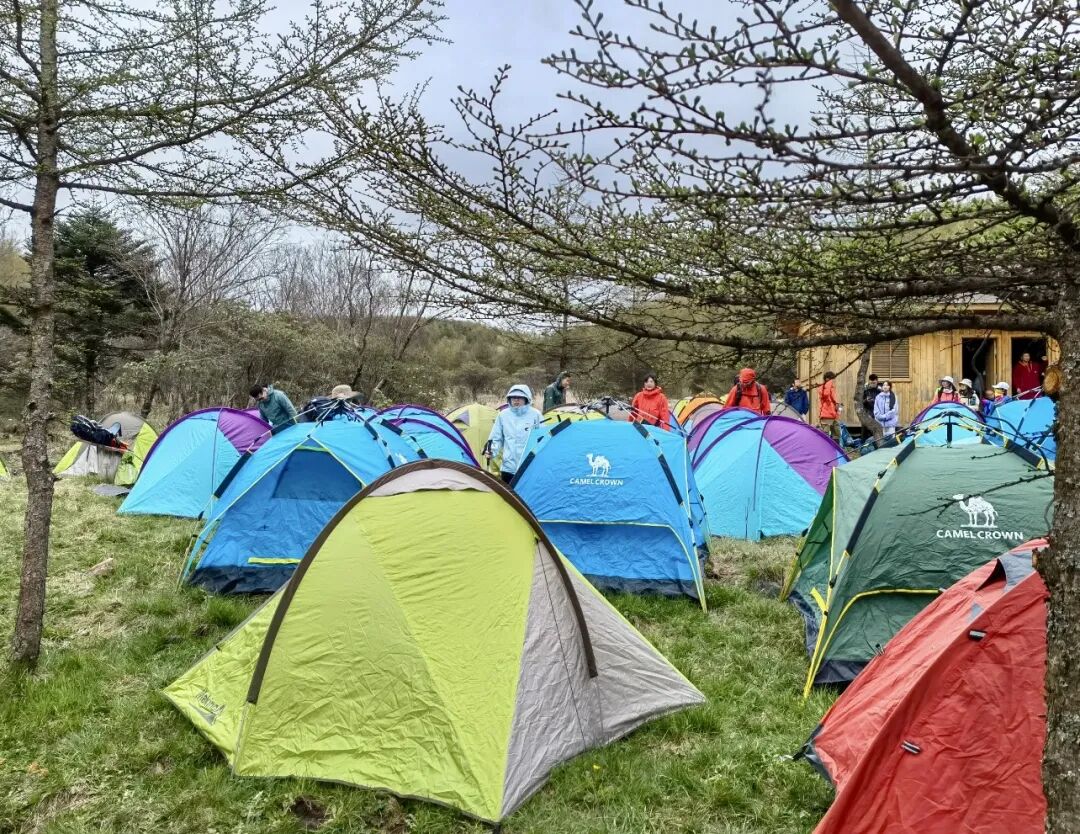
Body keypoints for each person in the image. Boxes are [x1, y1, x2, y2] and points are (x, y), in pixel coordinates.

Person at [485, 384, 542, 484]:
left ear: (526, 399)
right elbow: (496, 438)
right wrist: (491, 451)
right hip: (508, 468)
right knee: (509, 494)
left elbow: (543, 438)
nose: (516, 400)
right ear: (509, 399)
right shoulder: (503, 415)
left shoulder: (536, 415)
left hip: (529, 467)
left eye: (519, 397)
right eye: (513, 397)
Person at [818, 371, 841, 441]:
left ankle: (830, 447)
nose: (833, 381)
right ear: (827, 379)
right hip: (829, 413)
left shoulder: (824, 388)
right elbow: (835, 399)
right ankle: (834, 447)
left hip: (828, 414)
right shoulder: (828, 387)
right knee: (833, 434)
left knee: (828, 434)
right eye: (833, 379)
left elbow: (835, 401)